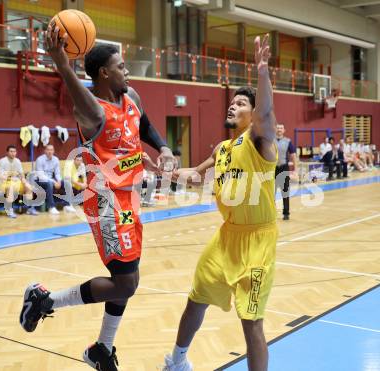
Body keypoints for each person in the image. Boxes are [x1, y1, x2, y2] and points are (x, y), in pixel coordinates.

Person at [19, 26, 175, 370]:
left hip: (129, 198)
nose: (127, 70)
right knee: (126, 283)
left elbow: (145, 125)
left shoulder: (131, 96)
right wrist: (61, 62)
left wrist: (162, 148)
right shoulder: (92, 111)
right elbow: (77, 93)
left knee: (127, 278)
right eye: (121, 66)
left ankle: (102, 349)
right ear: (104, 72)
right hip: (105, 201)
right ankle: (45, 301)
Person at [163, 35, 278, 371]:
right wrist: (168, 172)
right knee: (196, 299)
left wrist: (262, 71)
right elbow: (197, 176)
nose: (233, 105)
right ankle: (178, 361)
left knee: (251, 322)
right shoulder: (222, 150)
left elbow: (266, 112)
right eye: (232, 102)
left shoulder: (259, 142)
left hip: (258, 242)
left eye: (242, 103)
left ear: (252, 114)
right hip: (226, 238)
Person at [0, 145, 38, 218]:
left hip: (16, 182)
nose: (13, 153)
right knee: (11, 187)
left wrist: (24, 180)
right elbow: (1, 176)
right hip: (2, 183)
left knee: (28, 186)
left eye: (14, 151)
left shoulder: (17, 161)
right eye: (11, 151)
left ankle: (30, 208)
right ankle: (9, 210)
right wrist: (10, 177)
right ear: (7, 152)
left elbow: (21, 173)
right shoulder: (2, 161)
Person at [35, 144, 68, 214]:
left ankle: (67, 205)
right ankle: (51, 207)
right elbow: (41, 176)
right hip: (39, 180)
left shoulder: (56, 159)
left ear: (53, 151)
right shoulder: (40, 159)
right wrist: (54, 182)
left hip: (50, 179)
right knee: (49, 184)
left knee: (66, 182)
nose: (50, 151)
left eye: (51, 150)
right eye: (48, 150)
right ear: (45, 151)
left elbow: (57, 173)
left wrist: (59, 181)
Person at [275, 123, 296, 220]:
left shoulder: (288, 141)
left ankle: (286, 213)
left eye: (281, 128)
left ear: (284, 130)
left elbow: (293, 155)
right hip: (272, 169)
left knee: (285, 191)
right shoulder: (270, 140)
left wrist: (295, 168)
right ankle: (271, 212)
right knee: (271, 192)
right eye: (278, 128)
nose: (279, 129)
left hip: (284, 168)